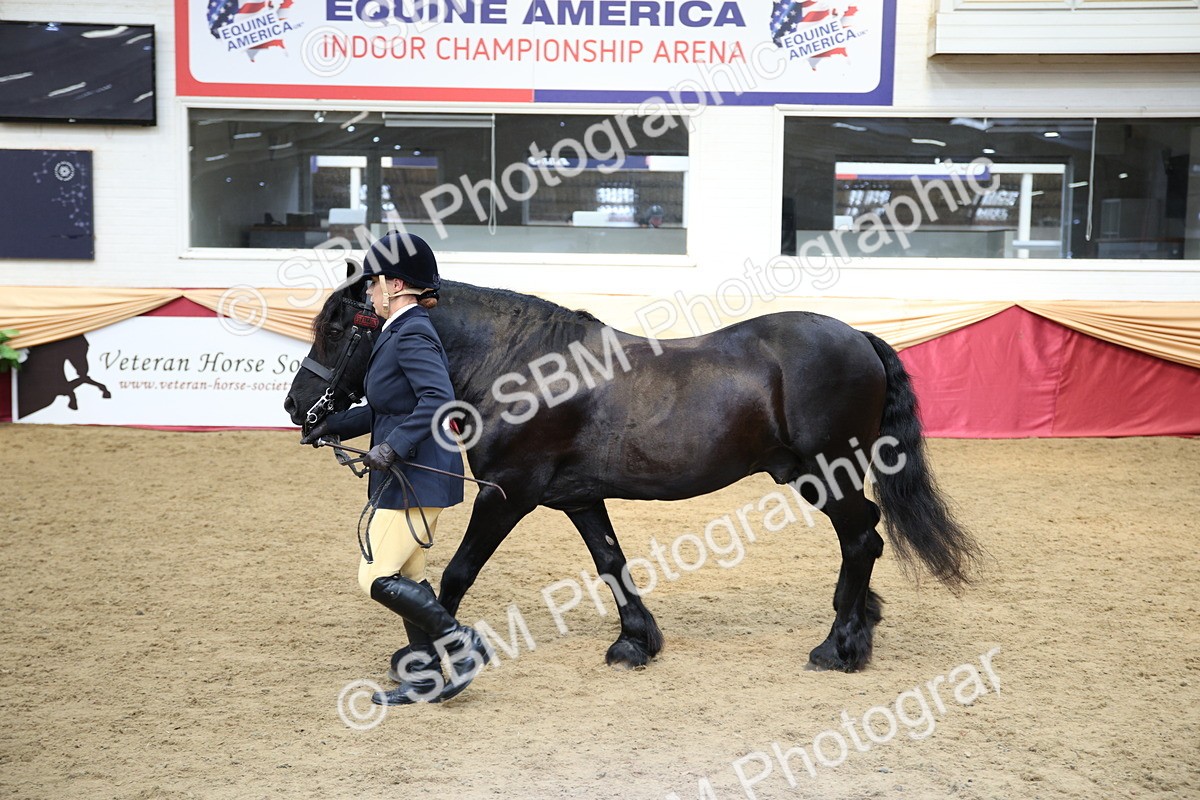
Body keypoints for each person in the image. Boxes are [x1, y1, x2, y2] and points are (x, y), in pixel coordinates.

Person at [301, 231, 487, 705]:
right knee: (410, 572)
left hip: (417, 476)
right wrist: (332, 427)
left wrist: (394, 447)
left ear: (397, 286)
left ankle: (463, 644)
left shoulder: (414, 332)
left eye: (373, 283)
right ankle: (424, 677)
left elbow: (438, 400)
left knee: (375, 577)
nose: (368, 291)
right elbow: (388, 407)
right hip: (405, 475)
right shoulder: (399, 331)